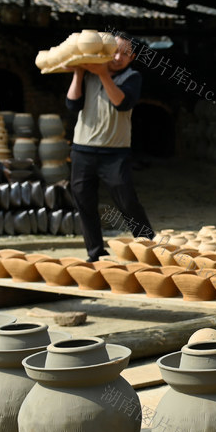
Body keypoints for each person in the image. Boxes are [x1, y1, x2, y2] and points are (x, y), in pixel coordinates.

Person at [66, 32, 155, 261]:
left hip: (114, 152)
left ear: (132, 57)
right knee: (84, 201)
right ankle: (95, 253)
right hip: (82, 149)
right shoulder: (88, 75)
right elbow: (72, 104)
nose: (117, 57)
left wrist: (103, 74)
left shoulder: (132, 77)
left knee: (126, 200)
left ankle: (149, 246)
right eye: (113, 51)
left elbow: (122, 104)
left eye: (124, 54)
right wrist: (78, 72)